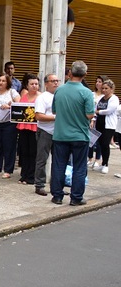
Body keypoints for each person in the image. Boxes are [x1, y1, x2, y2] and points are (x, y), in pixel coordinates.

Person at [50, 61, 95, 206]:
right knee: (79, 167)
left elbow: (54, 111)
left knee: (58, 165)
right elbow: (89, 115)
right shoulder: (86, 92)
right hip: (80, 135)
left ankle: (57, 196)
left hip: (60, 134)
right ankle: (76, 197)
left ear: (70, 73)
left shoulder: (59, 90)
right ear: (85, 75)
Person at [33, 73, 59, 196]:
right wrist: (56, 118)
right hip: (45, 131)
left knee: (58, 161)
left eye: (57, 81)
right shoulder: (43, 98)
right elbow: (39, 116)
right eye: (52, 81)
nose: (55, 83)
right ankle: (39, 185)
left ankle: (56, 186)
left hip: (59, 132)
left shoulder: (60, 96)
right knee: (42, 159)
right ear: (46, 83)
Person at [16, 73, 39, 185]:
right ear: (27, 85)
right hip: (24, 126)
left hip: (35, 127)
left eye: (36, 84)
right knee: (24, 151)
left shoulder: (40, 97)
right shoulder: (24, 97)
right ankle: (23, 175)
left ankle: (31, 176)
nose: (34, 86)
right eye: (32, 84)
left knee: (33, 152)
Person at [92, 79, 118, 175]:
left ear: (111, 89)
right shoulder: (101, 98)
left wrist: (98, 112)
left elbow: (109, 110)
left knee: (105, 144)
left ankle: (106, 164)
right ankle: (102, 164)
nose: (104, 90)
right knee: (100, 143)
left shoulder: (114, 98)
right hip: (99, 123)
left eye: (106, 88)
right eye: (102, 88)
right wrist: (94, 117)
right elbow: (95, 108)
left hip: (108, 125)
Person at [87, 75, 108, 168]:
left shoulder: (105, 97)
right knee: (90, 139)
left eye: (100, 82)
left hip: (100, 120)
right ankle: (90, 158)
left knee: (99, 140)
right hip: (90, 119)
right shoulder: (92, 94)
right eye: (97, 81)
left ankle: (97, 159)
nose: (97, 83)